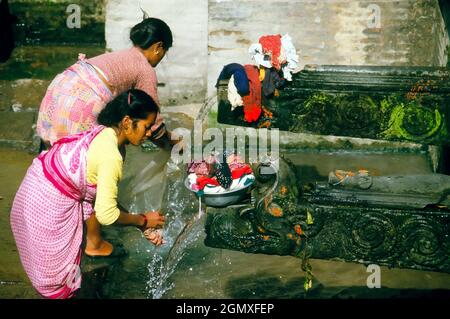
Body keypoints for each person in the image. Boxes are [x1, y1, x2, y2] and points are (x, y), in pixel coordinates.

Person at [10, 89, 166, 299]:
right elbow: (106, 215)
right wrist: (143, 220)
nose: (149, 134)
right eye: (146, 127)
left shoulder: (106, 134)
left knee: (48, 267)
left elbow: (105, 201)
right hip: (45, 203)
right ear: (127, 122)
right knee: (56, 279)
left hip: (35, 185)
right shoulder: (112, 156)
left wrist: (142, 225)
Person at [36, 17, 174, 149]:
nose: (162, 58)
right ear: (158, 47)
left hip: (59, 87)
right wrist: (173, 144)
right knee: (95, 155)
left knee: (52, 156)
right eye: (164, 52)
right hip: (81, 102)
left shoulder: (120, 56)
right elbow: (151, 120)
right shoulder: (145, 69)